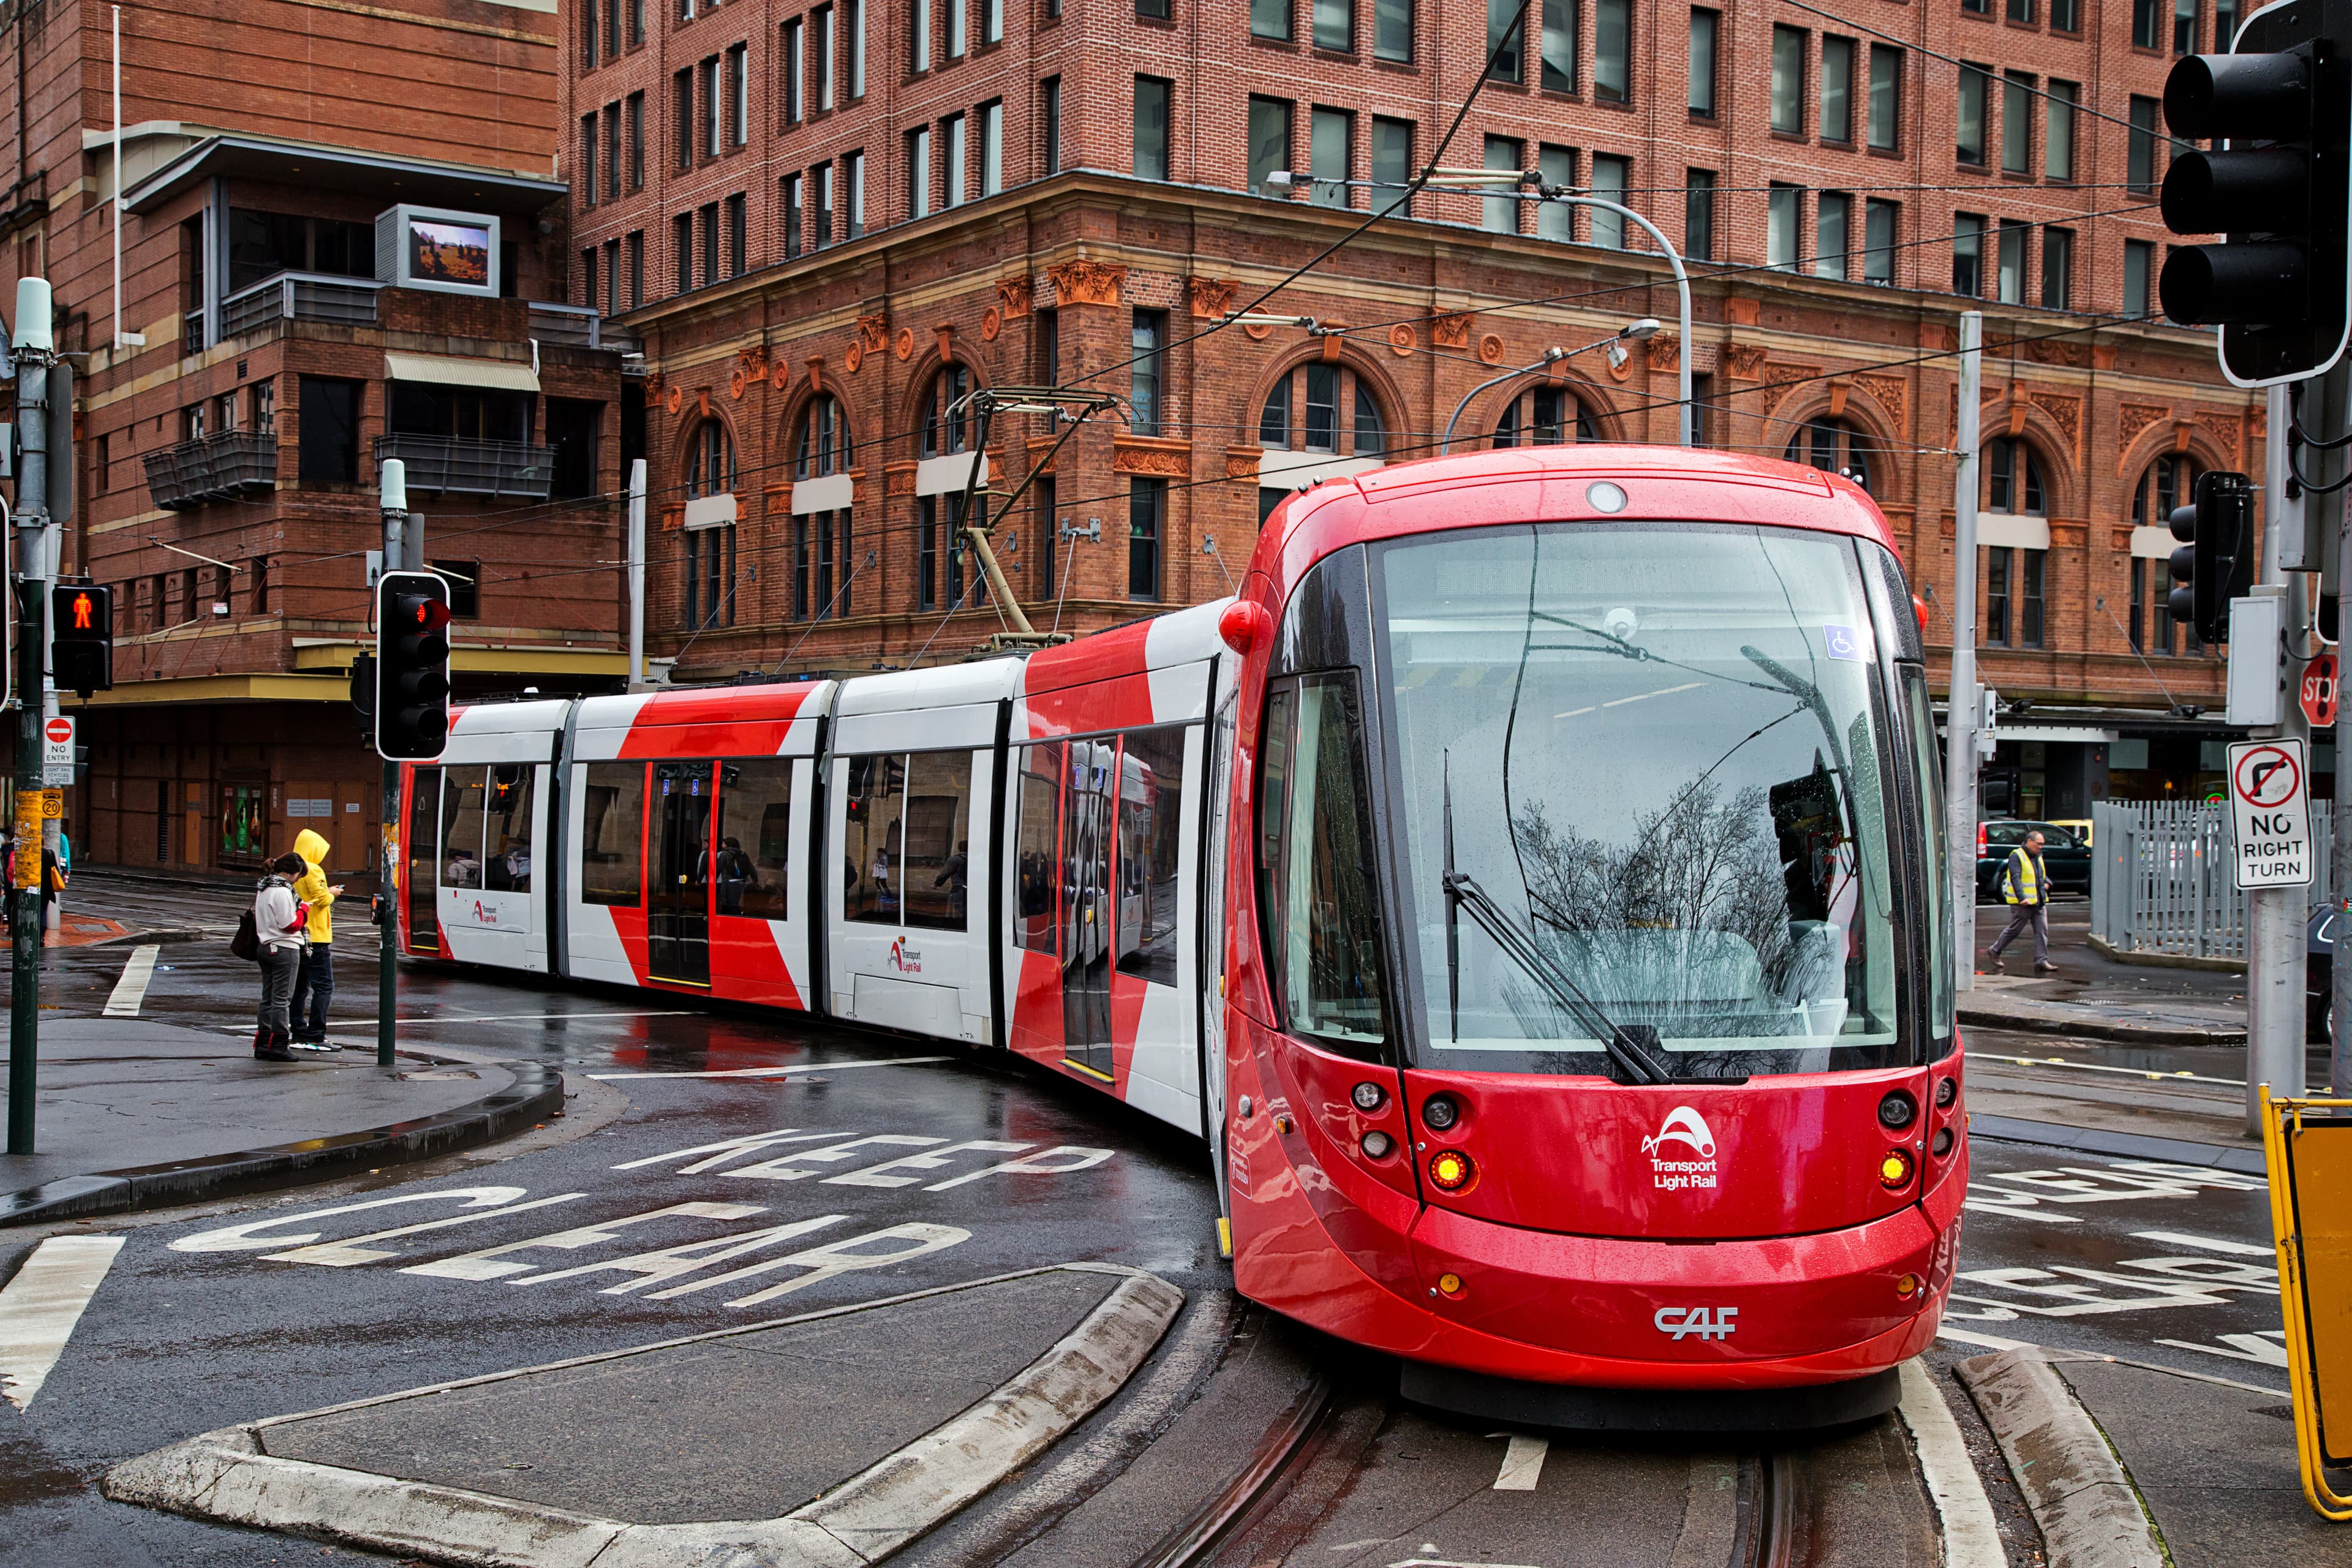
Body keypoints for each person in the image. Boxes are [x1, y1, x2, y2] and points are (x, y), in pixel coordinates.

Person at [252, 852, 310, 1061]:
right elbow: (290, 924)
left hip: (265, 946)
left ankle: (262, 1043)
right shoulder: (283, 892)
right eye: (297, 875)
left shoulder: (264, 887)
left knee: (267, 999)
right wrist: (304, 909)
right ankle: (279, 1045)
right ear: (289, 873)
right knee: (281, 1000)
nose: (297, 880)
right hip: (284, 948)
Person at [288, 828, 342, 1047]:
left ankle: (298, 1033)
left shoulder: (294, 869)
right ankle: (317, 1035)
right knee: (324, 987)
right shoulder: (313, 869)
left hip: (298, 934)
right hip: (316, 936)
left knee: (299, 988)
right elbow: (322, 900)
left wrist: (324, 892)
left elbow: (309, 895)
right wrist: (333, 893)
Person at [1987, 829, 2056, 974]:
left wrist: (2048, 882)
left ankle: (2042, 960)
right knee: (2014, 930)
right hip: (2023, 904)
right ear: (2029, 841)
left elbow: (2041, 874)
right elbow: (2015, 877)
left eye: (2042, 844)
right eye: (2038, 844)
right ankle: (1995, 951)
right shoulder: (2017, 856)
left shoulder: (2038, 856)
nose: (2041, 847)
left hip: (2039, 901)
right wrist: (2022, 898)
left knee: (2042, 931)